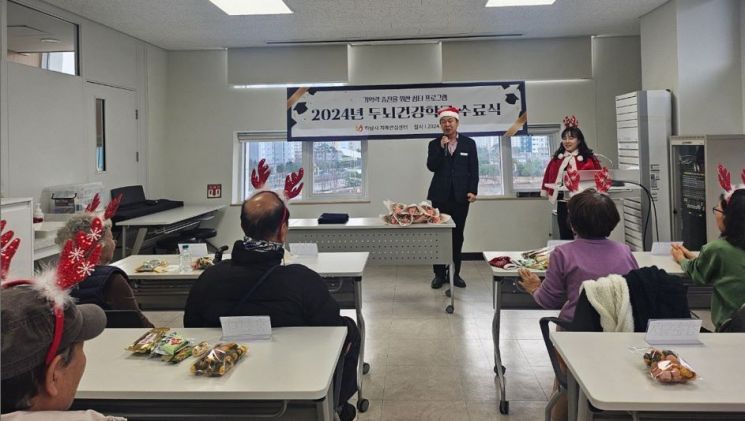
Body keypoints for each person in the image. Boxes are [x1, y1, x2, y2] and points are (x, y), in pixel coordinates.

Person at [183, 191, 360, 421]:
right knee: (349, 328)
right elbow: (333, 330)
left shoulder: (209, 278)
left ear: (243, 226)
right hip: (295, 395)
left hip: (224, 389)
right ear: (283, 230)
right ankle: (337, 407)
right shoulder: (302, 280)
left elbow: (191, 329)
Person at [518, 189, 639, 321]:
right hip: (619, 327)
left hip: (579, 328)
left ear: (572, 224)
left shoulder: (562, 254)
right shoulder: (625, 251)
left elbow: (549, 301)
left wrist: (535, 288)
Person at [56, 214, 153, 328]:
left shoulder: (54, 279)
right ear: (100, 246)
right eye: (111, 238)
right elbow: (139, 323)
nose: (114, 243)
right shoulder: (112, 279)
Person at [672, 188, 745, 331]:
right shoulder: (719, 251)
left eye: (717, 210)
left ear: (727, 217)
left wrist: (681, 258)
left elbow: (698, 274)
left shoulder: (717, 248)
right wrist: (693, 256)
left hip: (731, 327)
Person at [426, 106, 478, 289]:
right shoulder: (434, 144)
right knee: (438, 236)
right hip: (440, 197)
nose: (447, 124)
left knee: (457, 236)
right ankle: (439, 274)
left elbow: (474, 170)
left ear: (457, 123)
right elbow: (432, 166)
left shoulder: (469, 144)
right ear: (440, 124)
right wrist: (441, 149)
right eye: (443, 121)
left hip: (461, 197)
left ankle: (455, 274)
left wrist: (473, 191)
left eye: (450, 121)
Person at [540, 116, 601, 239]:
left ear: (579, 140)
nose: (567, 141)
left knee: (585, 234)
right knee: (565, 234)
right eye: (564, 138)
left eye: (571, 138)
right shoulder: (557, 159)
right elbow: (548, 176)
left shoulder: (589, 158)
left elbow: (597, 178)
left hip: (584, 203)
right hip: (563, 203)